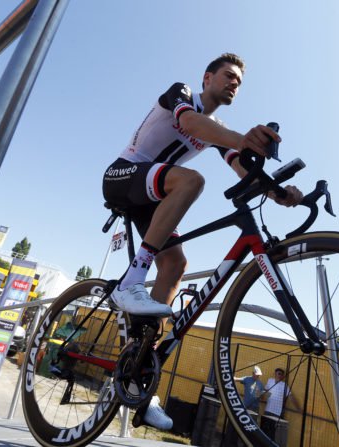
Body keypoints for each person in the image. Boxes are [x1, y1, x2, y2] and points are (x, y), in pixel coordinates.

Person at [102, 53, 302, 429]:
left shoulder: (218, 128)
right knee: (192, 180)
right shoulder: (183, 94)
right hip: (122, 175)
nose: (234, 83)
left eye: (239, 81)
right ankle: (130, 282)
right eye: (229, 76)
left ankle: (141, 373)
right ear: (208, 77)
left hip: (153, 196)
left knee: (176, 266)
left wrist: (280, 194)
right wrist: (243, 139)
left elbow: (242, 164)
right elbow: (190, 122)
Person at [261, 367, 301, 440]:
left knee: (274, 433)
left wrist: (298, 408)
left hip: (277, 413)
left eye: (282, 375)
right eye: (279, 374)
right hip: (268, 410)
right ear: (275, 374)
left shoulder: (284, 385)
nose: (280, 376)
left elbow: (291, 396)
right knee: (264, 430)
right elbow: (266, 391)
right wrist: (259, 397)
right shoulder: (270, 381)